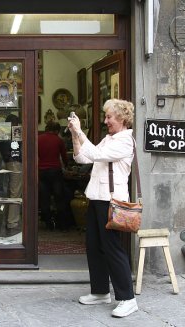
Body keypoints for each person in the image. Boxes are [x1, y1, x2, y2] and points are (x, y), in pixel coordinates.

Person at [67, 99, 138, 318]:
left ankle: (127, 298)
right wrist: (74, 134)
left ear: (123, 119)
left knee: (112, 248)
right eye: (106, 116)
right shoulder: (109, 139)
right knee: (94, 246)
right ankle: (100, 292)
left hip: (112, 201)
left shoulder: (126, 141)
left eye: (109, 117)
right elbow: (82, 157)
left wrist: (80, 131)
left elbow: (96, 155)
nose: (105, 120)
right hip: (97, 198)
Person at [38, 121, 72, 230]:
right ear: (57, 130)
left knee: (44, 198)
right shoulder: (59, 140)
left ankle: (48, 224)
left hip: (42, 171)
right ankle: (62, 225)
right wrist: (67, 166)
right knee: (59, 197)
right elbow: (64, 156)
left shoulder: (38, 138)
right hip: (55, 171)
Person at [0, 114, 22, 236]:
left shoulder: (3, 134)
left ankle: (8, 219)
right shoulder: (15, 134)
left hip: (8, 162)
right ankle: (12, 222)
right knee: (15, 192)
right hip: (15, 162)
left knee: (11, 191)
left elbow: (2, 149)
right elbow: (16, 150)